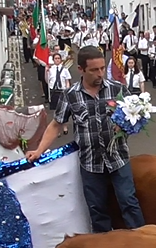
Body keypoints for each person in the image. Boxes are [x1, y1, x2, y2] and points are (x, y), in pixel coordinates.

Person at [25, 46, 146, 233]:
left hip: (118, 159)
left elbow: (137, 114)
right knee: (97, 210)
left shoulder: (118, 89)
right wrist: (39, 151)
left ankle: (143, 244)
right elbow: (56, 124)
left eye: (102, 68)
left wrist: (128, 125)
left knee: (129, 203)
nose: (100, 74)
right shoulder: (71, 95)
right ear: (81, 69)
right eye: (94, 70)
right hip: (90, 164)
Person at [46, 52, 71, 135]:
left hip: (62, 92)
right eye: (55, 58)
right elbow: (47, 80)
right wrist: (46, 72)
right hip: (54, 91)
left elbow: (67, 81)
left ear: (61, 60)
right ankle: (57, 130)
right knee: (56, 111)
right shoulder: (50, 70)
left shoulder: (65, 70)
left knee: (64, 110)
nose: (57, 60)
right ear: (53, 60)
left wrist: (67, 90)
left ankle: (65, 127)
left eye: (58, 58)